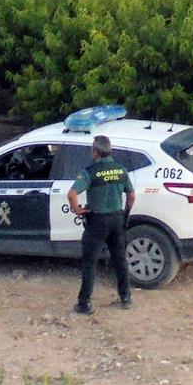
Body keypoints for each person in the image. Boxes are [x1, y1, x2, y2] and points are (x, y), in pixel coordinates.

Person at [67, 135, 136, 315]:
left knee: (90, 262)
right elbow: (131, 196)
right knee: (120, 259)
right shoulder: (121, 170)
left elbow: (72, 194)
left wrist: (78, 210)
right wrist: (125, 214)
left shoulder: (90, 172)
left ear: (95, 152)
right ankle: (126, 297)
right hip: (117, 219)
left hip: (97, 221)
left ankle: (84, 303)